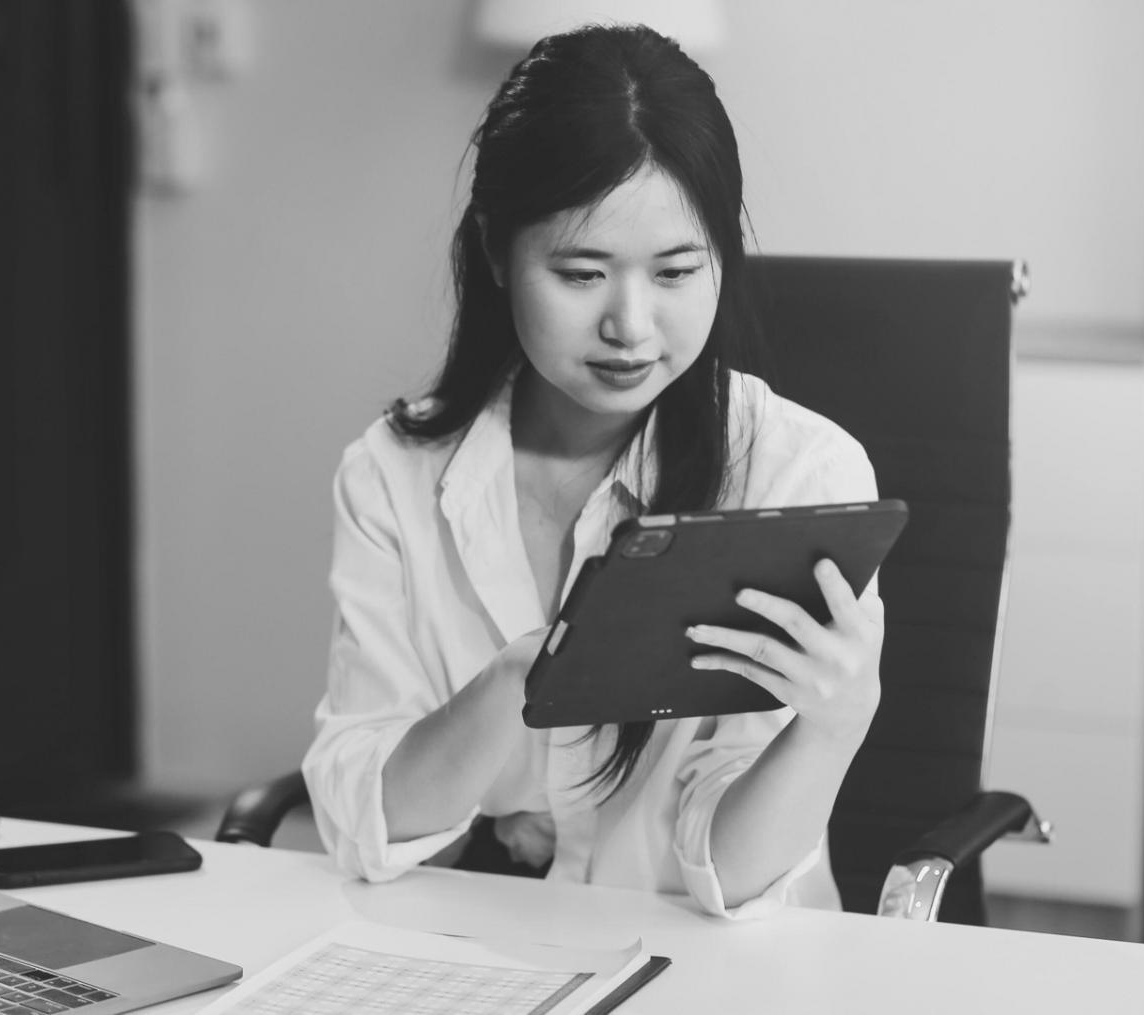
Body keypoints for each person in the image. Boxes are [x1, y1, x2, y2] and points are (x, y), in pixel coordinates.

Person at [301, 23, 883, 919]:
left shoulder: (799, 473)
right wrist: (513, 683)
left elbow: (728, 869)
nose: (631, 326)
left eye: (677, 271)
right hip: (472, 948)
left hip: (717, 966)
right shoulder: (394, 472)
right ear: (496, 252)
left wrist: (830, 727)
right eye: (580, 273)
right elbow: (364, 816)